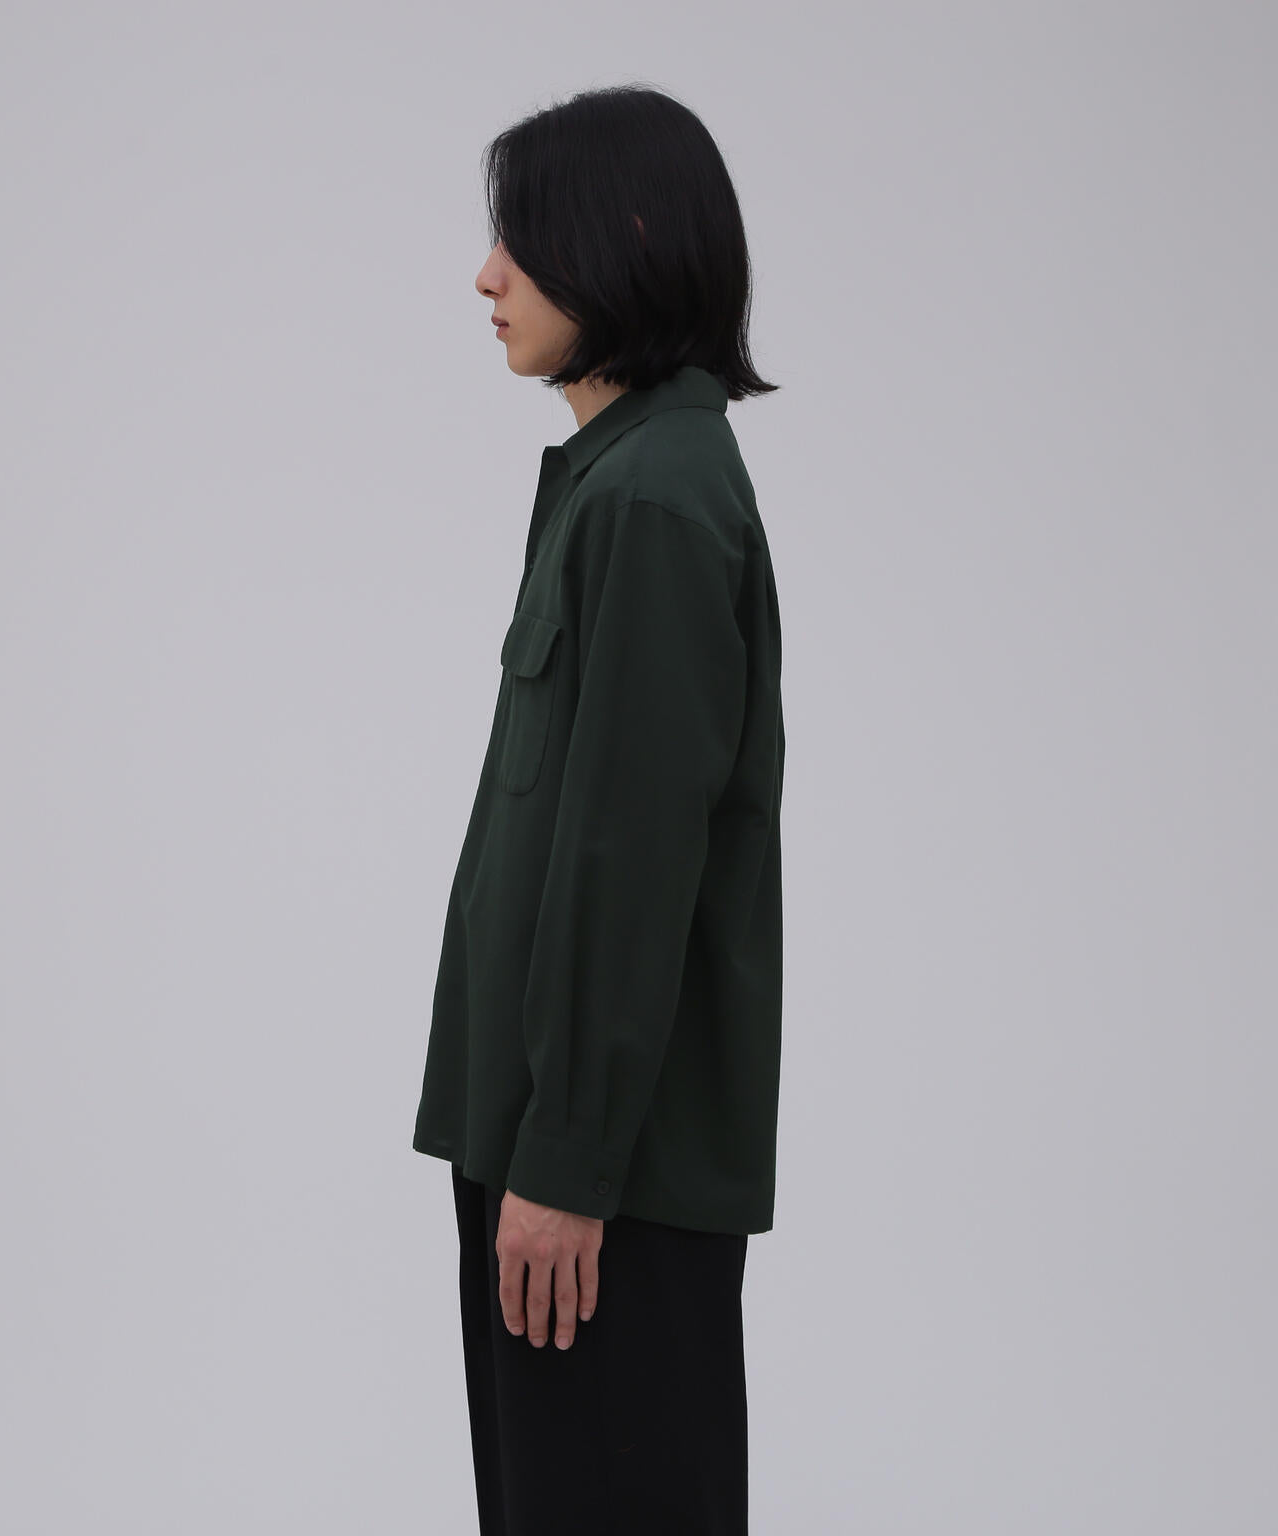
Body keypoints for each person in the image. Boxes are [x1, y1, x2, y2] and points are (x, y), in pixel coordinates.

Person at [410, 82, 785, 1535]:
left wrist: (566, 1163)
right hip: (557, 1156)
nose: (487, 278)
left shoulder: (656, 502)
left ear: (623, 239)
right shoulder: (618, 481)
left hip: (602, 1181)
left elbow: (630, 862)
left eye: (522, 240)